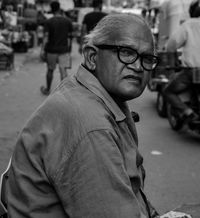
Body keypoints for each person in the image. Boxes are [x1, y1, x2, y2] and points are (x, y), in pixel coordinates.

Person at [7, 13, 160, 218]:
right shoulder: (90, 125)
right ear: (92, 57)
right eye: (126, 52)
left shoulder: (94, 95)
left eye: (147, 58)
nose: (137, 66)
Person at [163, 0, 200, 128]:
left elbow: (170, 47)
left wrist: (172, 68)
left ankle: (188, 112)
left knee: (168, 92)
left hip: (193, 72)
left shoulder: (188, 25)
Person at [40, 0, 73, 96]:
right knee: (63, 70)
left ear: (51, 10)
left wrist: (42, 50)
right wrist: (69, 49)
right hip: (64, 49)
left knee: (50, 70)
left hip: (51, 50)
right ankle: (64, 92)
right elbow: (70, 37)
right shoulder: (67, 21)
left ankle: (47, 89)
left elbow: (46, 37)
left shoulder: (48, 22)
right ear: (59, 9)